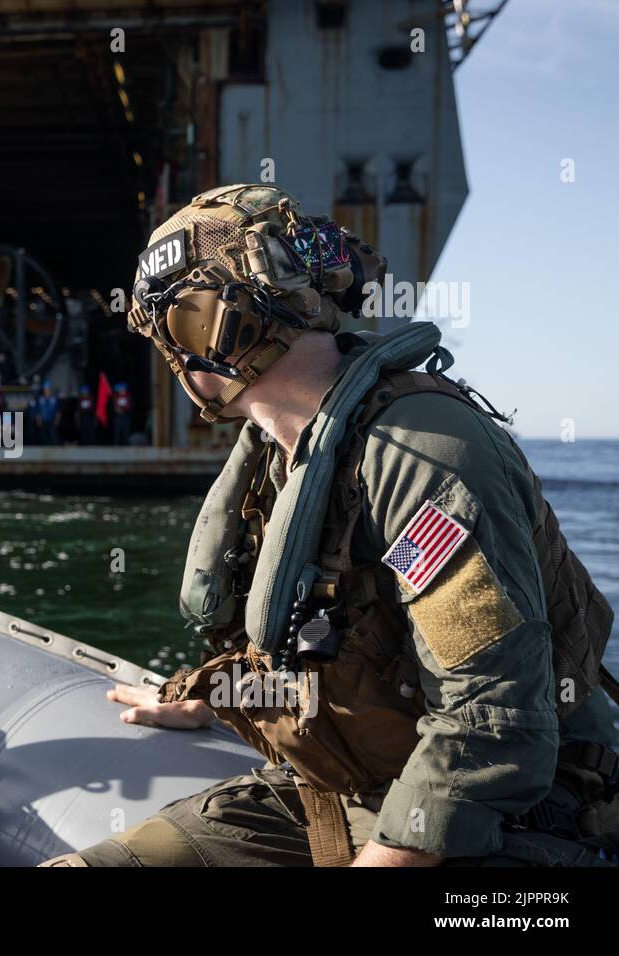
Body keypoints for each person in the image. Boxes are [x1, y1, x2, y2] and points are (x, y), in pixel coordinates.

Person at [42, 183, 619, 868]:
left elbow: (491, 725)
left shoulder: (421, 452)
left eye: (176, 325)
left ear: (216, 327)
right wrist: (214, 695)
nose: (173, 357)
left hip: (517, 824)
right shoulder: (284, 456)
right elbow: (324, 637)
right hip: (343, 786)